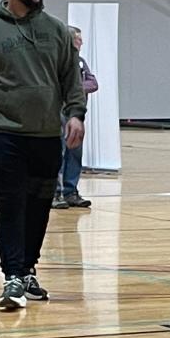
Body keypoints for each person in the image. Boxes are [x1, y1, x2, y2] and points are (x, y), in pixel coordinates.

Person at [0, 0, 85, 309]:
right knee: (11, 204)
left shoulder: (56, 30)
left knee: (39, 206)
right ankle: (12, 275)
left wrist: (76, 114)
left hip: (47, 134)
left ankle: (28, 268)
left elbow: (70, 79)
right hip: (5, 133)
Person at [52, 25, 97, 209]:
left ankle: (71, 191)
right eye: (78, 39)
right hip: (59, 113)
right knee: (59, 153)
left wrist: (77, 87)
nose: (81, 42)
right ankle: (56, 193)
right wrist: (75, 87)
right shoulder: (56, 61)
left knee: (74, 153)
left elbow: (93, 82)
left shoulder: (80, 62)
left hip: (76, 114)